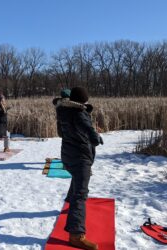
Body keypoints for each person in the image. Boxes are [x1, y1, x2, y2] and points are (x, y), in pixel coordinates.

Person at [55, 87, 103, 250]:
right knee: (81, 194)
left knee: (77, 179)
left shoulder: (63, 111)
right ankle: (76, 235)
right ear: (83, 101)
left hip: (68, 154)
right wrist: (96, 137)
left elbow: (62, 133)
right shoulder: (80, 114)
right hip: (80, 156)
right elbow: (92, 137)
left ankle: (70, 202)